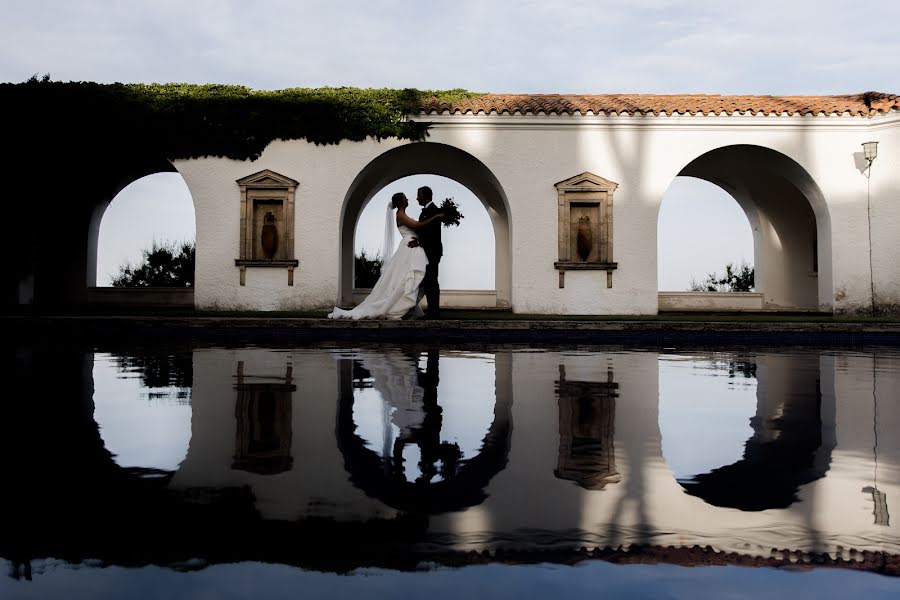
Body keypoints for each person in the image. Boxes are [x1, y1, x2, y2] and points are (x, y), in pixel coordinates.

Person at [328, 192, 442, 320]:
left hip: (413, 247)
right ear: (400, 201)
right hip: (409, 247)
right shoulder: (401, 215)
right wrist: (436, 217)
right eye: (405, 198)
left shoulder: (402, 214)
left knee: (408, 278)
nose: (408, 199)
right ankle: (400, 306)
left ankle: (408, 306)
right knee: (405, 278)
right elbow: (418, 226)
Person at [408, 186, 442, 319]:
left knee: (432, 281)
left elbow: (432, 234)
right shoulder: (425, 212)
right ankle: (432, 311)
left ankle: (434, 312)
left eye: (419, 195)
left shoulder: (435, 211)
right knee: (428, 281)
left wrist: (419, 242)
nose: (417, 198)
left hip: (432, 251)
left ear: (426, 196)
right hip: (426, 251)